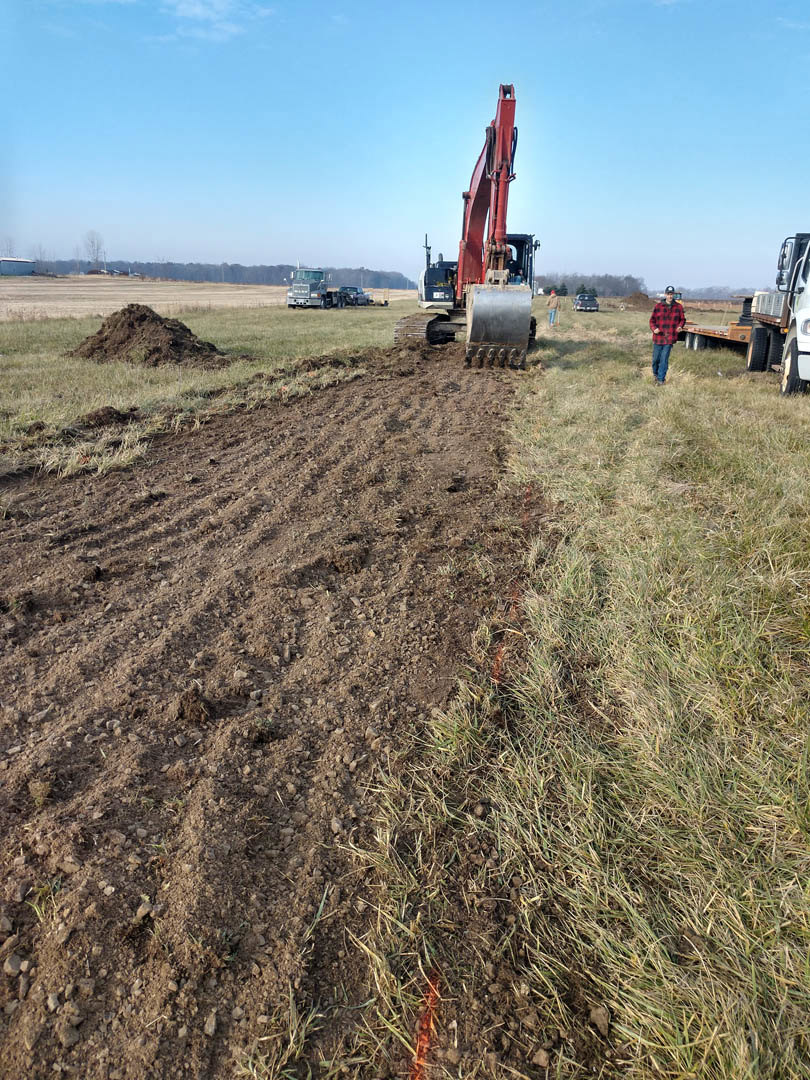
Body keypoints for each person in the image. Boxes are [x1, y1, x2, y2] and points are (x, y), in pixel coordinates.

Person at [649, 285, 685, 384]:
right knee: (656, 359)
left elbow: (682, 319)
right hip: (658, 337)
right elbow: (652, 320)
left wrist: (680, 326)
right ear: (665, 294)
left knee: (664, 359)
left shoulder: (678, 307)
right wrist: (654, 328)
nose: (670, 296)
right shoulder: (658, 306)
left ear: (673, 295)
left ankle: (661, 379)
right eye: (668, 294)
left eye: (671, 294)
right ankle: (655, 374)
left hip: (669, 337)